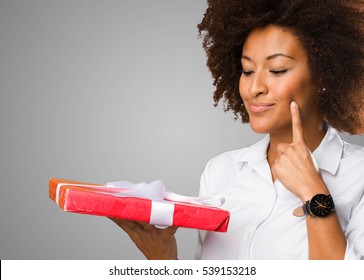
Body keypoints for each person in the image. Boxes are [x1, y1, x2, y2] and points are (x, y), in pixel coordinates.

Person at [110, 0, 364, 260]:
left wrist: (315, 194)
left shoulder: (358, 177)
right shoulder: (221, 172)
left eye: (276, 70)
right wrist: (163, 259)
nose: (254, 88)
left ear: (324, 76)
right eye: (247, 70)